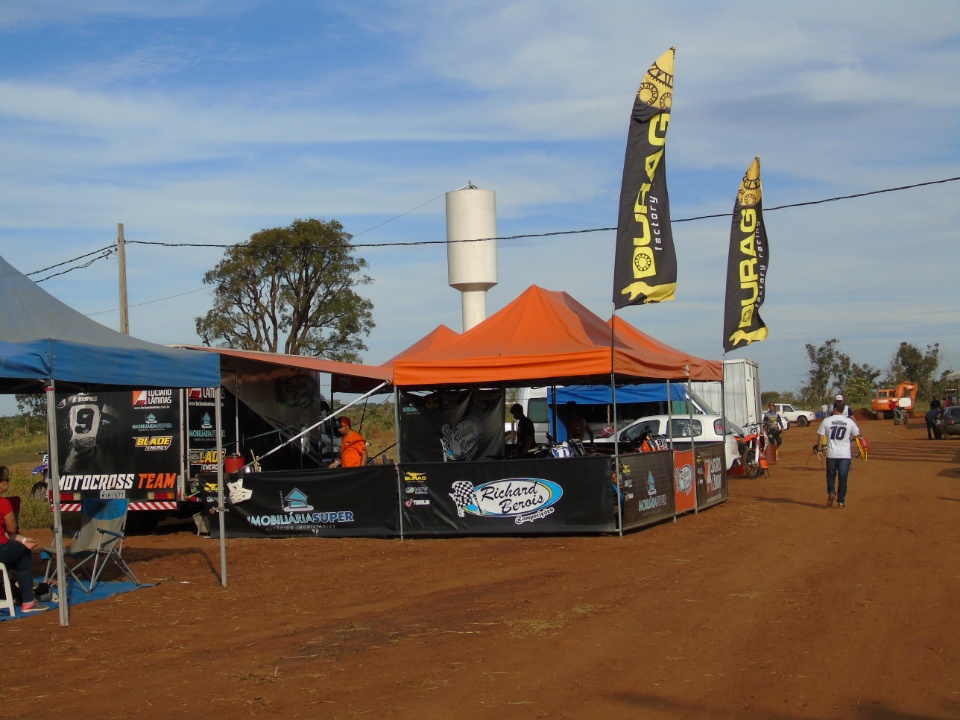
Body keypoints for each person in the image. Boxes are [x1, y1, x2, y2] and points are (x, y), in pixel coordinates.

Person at [0, 466, 46, 613]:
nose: (8, 483)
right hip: (1, 547)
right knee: (23, 554)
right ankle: (28, 598)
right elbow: (12, 530)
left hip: (4, 544)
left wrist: (23, 539)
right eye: (7, 480)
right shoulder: (4, 503)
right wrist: (25, 542)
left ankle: (22, 591)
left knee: (20, 550)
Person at [817, 400, 862, 509]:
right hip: (845, 454)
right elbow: (857, 434)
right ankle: (841, 501)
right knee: (843, 478)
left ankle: (831, 492)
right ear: (843, 410)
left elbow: (821, 436)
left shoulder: (827, 421)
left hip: (831, 454)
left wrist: (819, 450)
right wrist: (849, 439)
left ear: (834, 409)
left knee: (830, 476)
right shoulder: (849, 421)